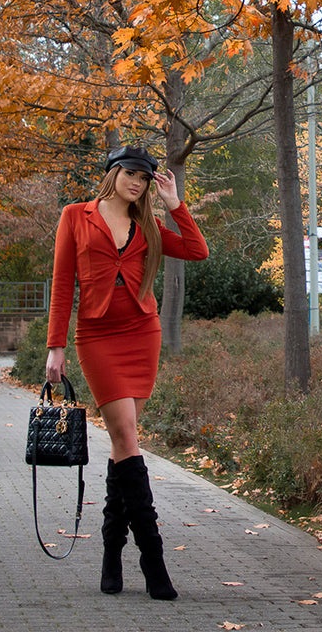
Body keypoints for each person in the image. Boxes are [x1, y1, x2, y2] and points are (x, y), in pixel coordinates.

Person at [44, 144, 208, 599]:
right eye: (130, 174)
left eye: (143, 178)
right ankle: (153, 562)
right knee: (126, 438)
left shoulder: (149, 226)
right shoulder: (75, 216)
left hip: (141, 332)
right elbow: (62, 283)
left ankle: (111, 553)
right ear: (113, 173)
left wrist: (176, 204)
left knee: (123, 443)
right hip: (96, 337)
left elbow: (198, 250)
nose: (136, 183)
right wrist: (55, 346)